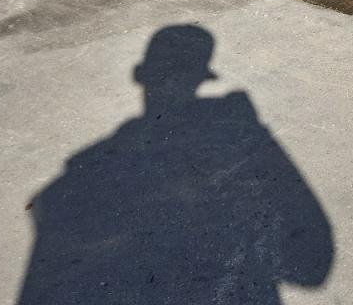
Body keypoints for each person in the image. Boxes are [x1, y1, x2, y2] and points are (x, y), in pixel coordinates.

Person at [17, 25, 334, 304]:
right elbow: (311, 269)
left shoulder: (73, 180)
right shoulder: (78, 179)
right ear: (201, 75)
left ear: (141, 75)